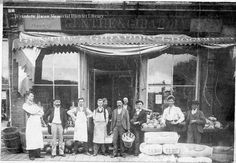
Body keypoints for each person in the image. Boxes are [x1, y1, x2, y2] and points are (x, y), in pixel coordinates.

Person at [22, 92, 44, 160]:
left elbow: (42, 112)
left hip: (37, 122)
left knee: (38, 137)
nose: (32, 97)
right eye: (31, 96)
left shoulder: (34, 104)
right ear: (27, 97)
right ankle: (31, 155)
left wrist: (37, 111)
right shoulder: (25, 105)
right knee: (31, 138)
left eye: (33, 96)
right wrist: (38, 111)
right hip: (31, 122)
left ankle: (38, 154)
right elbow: (31, 111)